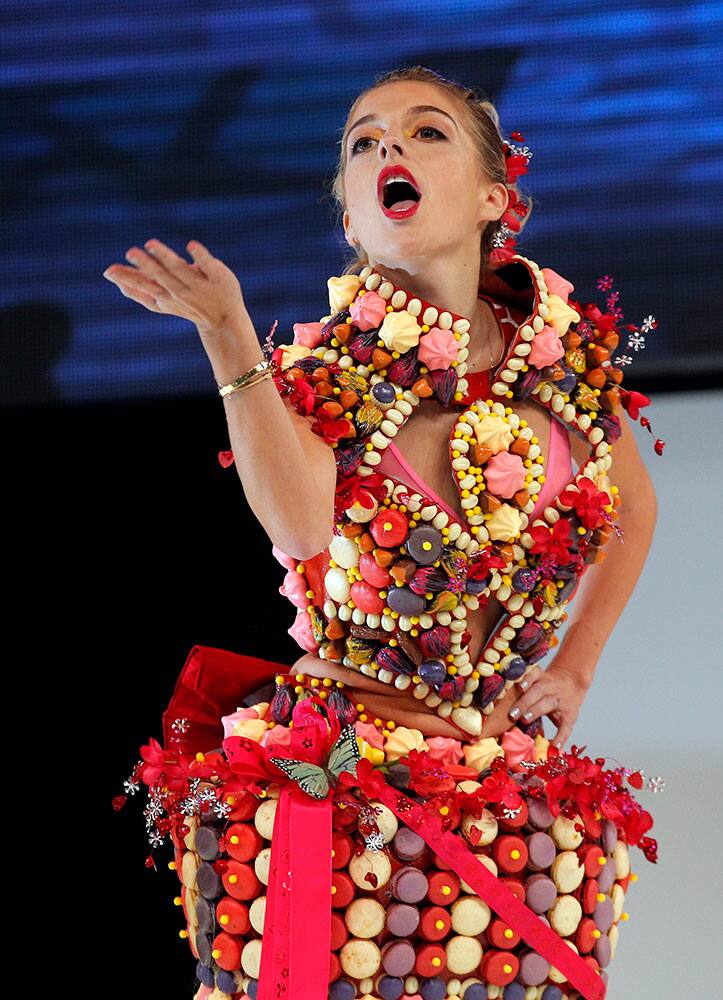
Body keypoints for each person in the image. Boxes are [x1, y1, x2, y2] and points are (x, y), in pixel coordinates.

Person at [109, 67, 661, 1000]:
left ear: (494, 196)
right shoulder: (325, 371)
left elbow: (631, 506)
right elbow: (296, 521)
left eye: (423, 132)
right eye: (363, 143)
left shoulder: (561, 356)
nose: (386, 150)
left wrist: (578, 662)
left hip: (511, 788)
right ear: (353, 221)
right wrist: (229, 336)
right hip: (338, 782)